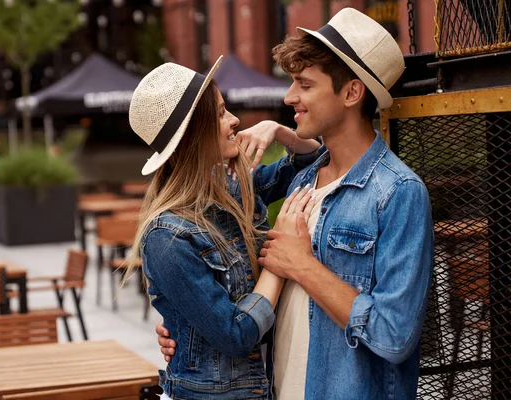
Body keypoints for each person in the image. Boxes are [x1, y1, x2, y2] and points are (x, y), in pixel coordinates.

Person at [157, 8, 434, 399]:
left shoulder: (398, 192)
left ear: (352, 93)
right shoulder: (303, 179)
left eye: (304, 84)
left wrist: (302, 266)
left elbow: (393, 336)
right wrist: (188, 330)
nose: (289, 97)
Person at [127, 56, 321, 400]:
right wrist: (282, 256)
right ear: (193, 135)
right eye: (219, 113)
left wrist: (276, 130)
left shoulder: (237, 190)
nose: (233, 121)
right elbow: (236, 333)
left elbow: (313, 159)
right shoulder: (167, 237)